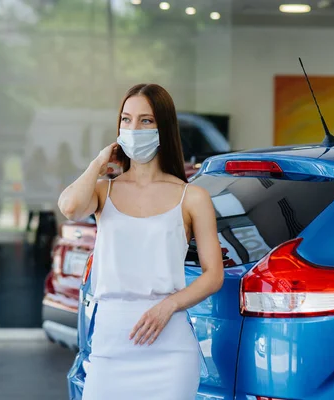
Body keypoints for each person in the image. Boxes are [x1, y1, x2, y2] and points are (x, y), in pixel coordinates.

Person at [57, 83, 224, 400]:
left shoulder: (192, 197)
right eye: (126, 119)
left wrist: (169, 305)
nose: (134, 128)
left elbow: (213, 275)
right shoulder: (104, 191)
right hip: (109, 349)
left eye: (146, 120)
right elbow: (69, 207)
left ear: (163, 127)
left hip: (170, 350)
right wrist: (99, 163)